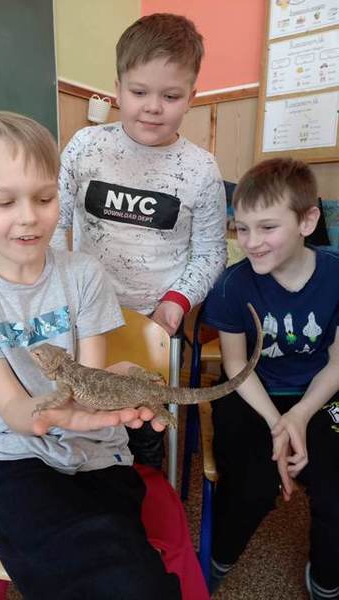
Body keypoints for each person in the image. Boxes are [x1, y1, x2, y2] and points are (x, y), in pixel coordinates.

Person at [0, 110, 205, 599]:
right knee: (73, 556)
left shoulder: (84, 274)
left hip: (97, 449)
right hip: (11, 452)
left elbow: (92, 375)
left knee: (128, 567)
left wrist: (119, 385)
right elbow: (13, 406)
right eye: (5, 201)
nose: (28, 216)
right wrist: (51, 414)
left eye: (44, 198)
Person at [51, 12, 227, 468]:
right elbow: (55, 223)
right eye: (139, 92)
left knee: (144, 431)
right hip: (81, 315)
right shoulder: (85, 146)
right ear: (117, 89)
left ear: (192, 97)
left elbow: (211, 252)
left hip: (154, 322)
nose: (153, 107)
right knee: (81, 423)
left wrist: (176, 302)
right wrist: (56, 290)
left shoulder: (201, 169)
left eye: (170, 96)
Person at [203, 158, 339, 599]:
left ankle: (326, 579)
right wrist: (277, 423)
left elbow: (337, 364)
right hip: (252, 393)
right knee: (251, 484)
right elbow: (235, 367)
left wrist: (299, 415)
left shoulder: (336, 275)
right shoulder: (231, 285)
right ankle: (219, 558)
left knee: (335, 485)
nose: (251, 242)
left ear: (307, 221)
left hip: (320, 394)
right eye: (242, 228)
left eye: (267, 227)